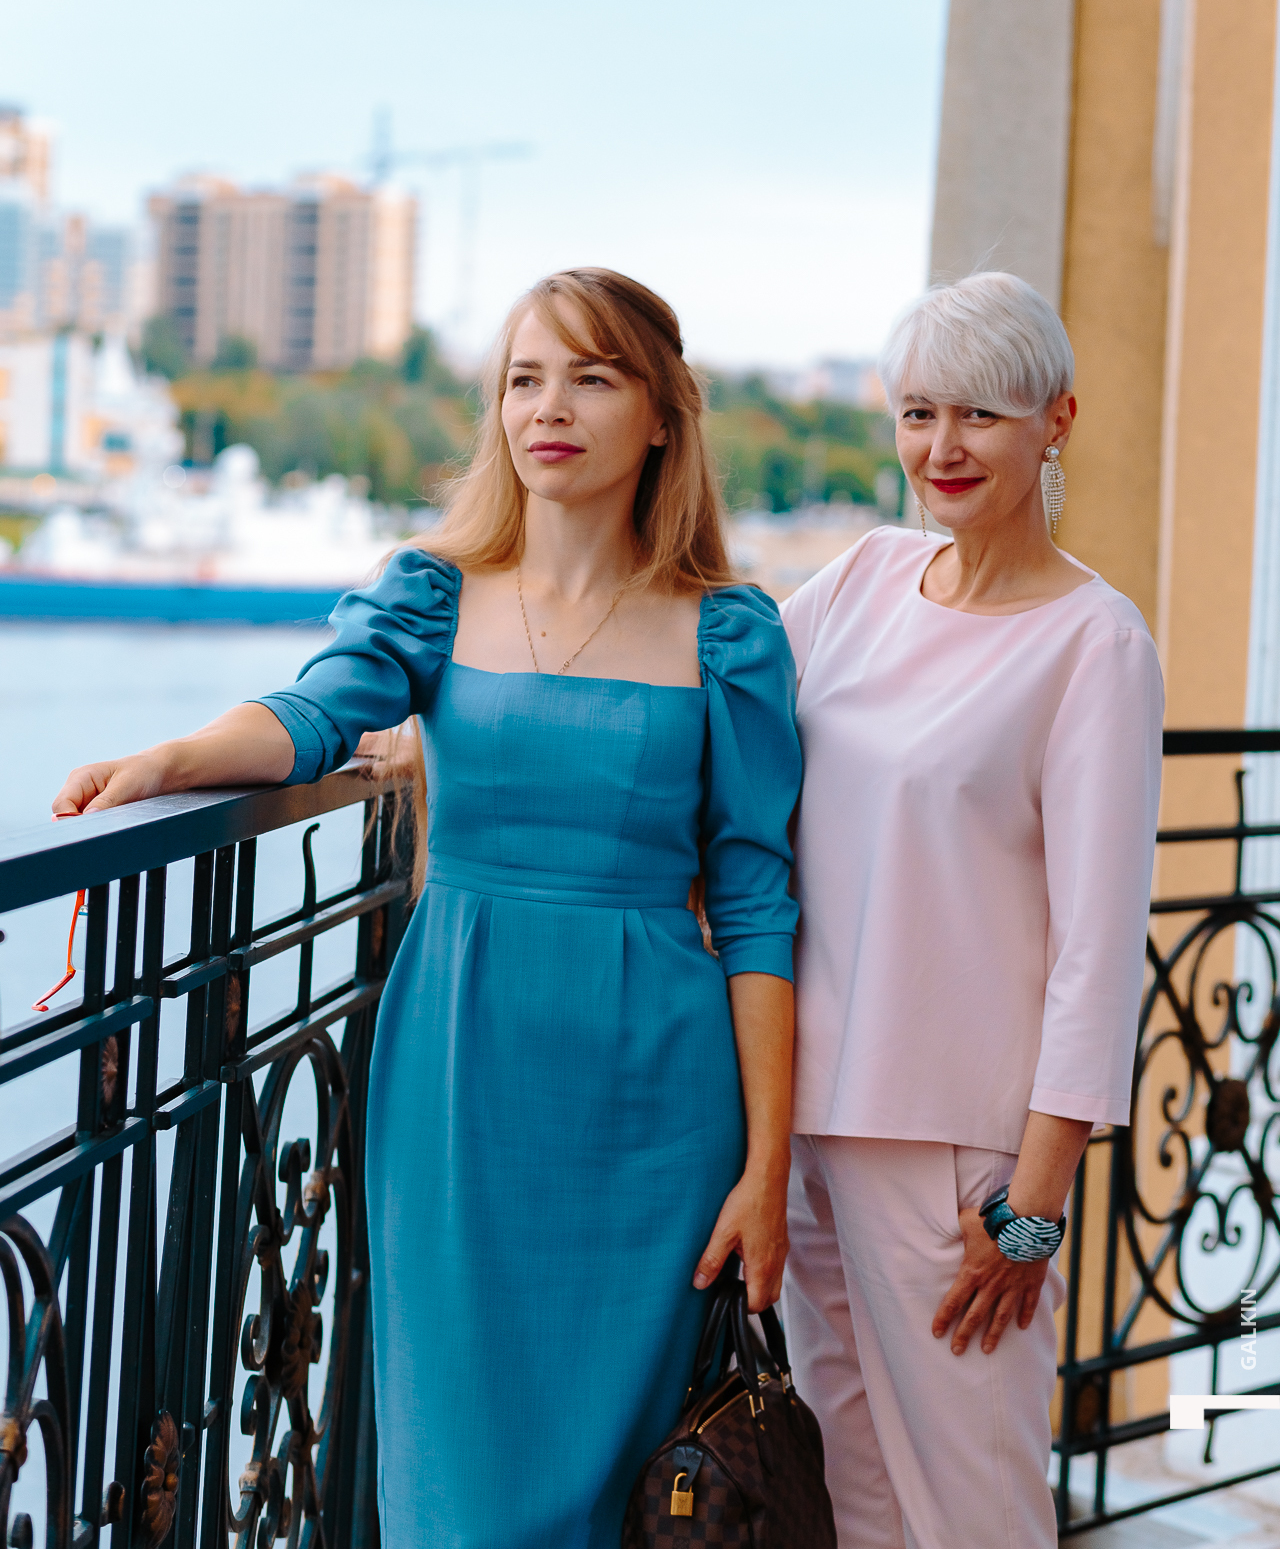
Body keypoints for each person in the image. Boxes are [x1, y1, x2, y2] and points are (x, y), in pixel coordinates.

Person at [53, 270, 801, 1548]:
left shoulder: (727, 635)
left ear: (660, 417)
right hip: (458, 1077)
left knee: (622, 1476)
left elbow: (755, 901)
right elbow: (311, 715)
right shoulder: (433, 594)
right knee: (455, 1466)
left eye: (589, 379)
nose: (547, 408)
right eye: (523, 379)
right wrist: (169, 760)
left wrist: (766, 1170)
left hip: (659, 1105)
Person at [779, 271, 1164, 1549]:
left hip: (955, 1156)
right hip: (804, 1119)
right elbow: (699, 693)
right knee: (853, 1496)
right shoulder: (860, 581)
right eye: (917, 413)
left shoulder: (1093, 644)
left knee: (972, 1511)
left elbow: (1098, 947)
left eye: (980, 416)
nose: (940, 448)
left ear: (1055, 422)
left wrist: (1033, 1205)